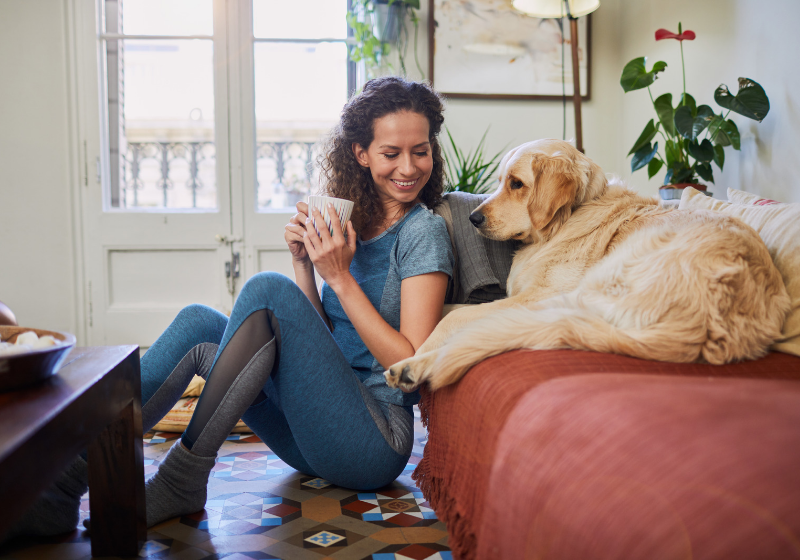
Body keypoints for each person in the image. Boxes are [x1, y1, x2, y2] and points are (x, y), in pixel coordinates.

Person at [4, 76, 454, 539]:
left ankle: (181, 478)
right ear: (361, 153)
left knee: (265, 289)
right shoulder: (351, 222)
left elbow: (410, 365)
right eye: (391, 153)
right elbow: (329, 347)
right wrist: (305, 267)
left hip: (372, 443)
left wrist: (337, 276)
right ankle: (61, 484)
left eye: (420, 150)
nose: (409, 167)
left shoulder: (423, 232)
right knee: (200, 322)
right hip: (313, 430)